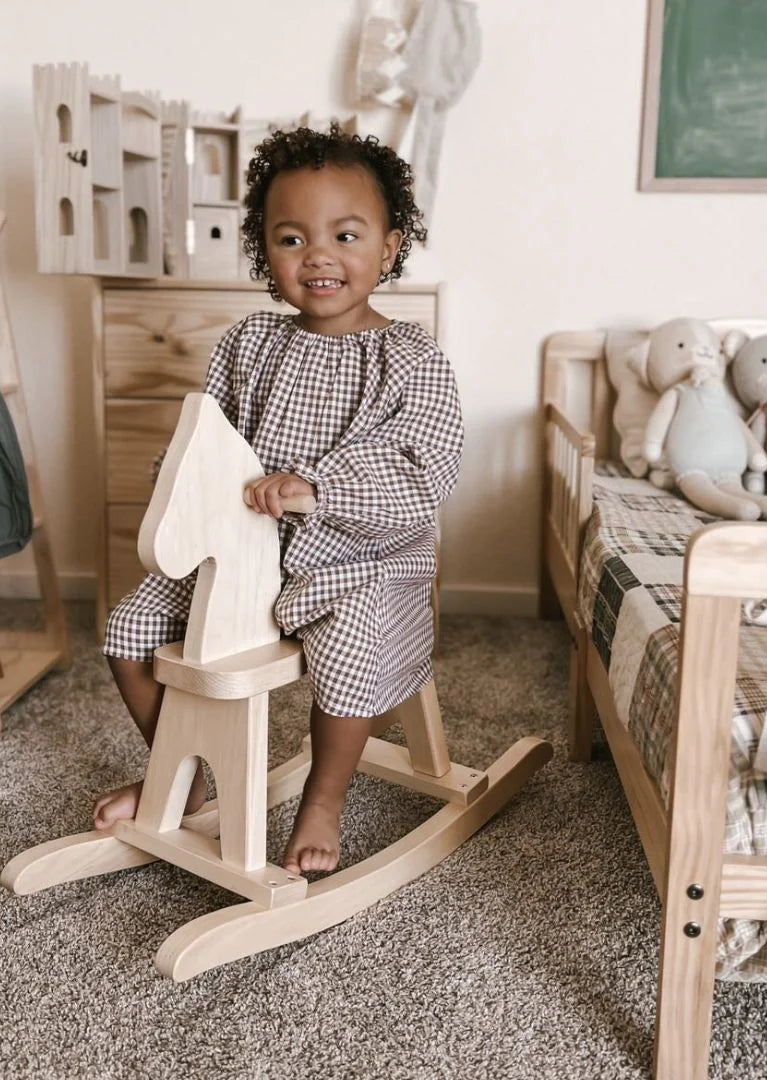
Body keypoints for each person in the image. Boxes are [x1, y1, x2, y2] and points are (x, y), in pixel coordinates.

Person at [95, 124, 463, 877]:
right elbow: (204, 441)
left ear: (389, 248)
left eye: (346, 234)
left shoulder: (411, 359)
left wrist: (318, 489)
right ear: (266, 252)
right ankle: (183, 771)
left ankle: (324, 798)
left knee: (352, 643)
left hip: (358, 556)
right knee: (129, 631)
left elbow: (426, 470)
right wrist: (184, 493)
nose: (319, 256)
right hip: (243, 557)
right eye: (292, 239)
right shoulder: (249, 342)